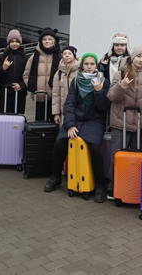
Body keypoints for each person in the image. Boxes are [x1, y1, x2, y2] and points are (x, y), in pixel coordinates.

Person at [43, 53, 111, 203]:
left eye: (92, 64)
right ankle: (55, 177)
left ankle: (100, 185)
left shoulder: (103, 81)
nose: (89, 67)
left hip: (94, 121)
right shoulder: (75, 81)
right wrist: (70, 124)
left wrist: (99, 91)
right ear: (82, 66)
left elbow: (103, 108)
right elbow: (69, 104)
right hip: (76, 120)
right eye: (86, 64)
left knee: (94, 147)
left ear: (96, 66)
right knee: (60, 143)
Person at [106, 46, 142, 199]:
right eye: (138, 56)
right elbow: (111, 97)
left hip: (139, 126)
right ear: (132, 57)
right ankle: (111, 185)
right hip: (120, 123)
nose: (141, 60)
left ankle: (132, 186)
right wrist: (123, 85)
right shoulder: (120, 73)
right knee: (116, 155)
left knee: (134, 159)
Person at [24, 27, 61, 122]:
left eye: (49, 39)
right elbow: (26, 74)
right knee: (39, 124)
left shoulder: (59, 56)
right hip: (39, 96)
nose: (47, 41)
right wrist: (32, 86)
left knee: (54, 125)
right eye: (44, 39)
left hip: (54, 98)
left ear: (54, 41)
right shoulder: (34, 56)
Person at [0, 29, 28, 114]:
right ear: (8, 43)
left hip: (20, 93)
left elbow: (28, 75)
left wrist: (21, 85)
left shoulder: (25, 58)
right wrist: (4, 69)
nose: (14, 44)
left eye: (17, 41)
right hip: (5, 93)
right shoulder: (1, 58)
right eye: (12, 41)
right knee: (5, 118)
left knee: (19, 118)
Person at [52, 46, 80, 125]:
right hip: (64, 110)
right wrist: (56, 113)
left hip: (78, 108)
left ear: (74, 55)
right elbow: (56, 94)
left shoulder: (80, 70)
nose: (67, 55)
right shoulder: (59, 73)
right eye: (64, 53)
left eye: (69, 53)